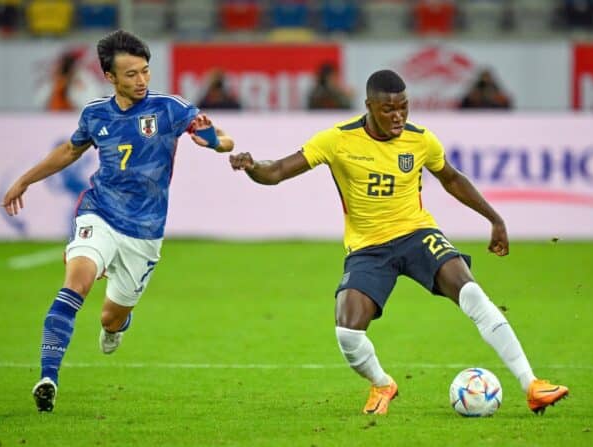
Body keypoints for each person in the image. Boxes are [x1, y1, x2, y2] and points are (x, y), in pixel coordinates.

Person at [229, 69, 568, 415]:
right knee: (348, 333)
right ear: (369, 106)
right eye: (389, 109)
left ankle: (532, 385)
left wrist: (494, 219)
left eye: (404, 107)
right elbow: (279, 171)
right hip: (368, 249)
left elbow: (451, 178)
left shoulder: (420, 140)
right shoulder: (337, 140)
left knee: (471, 293)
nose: (398, 116)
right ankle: (382, 384)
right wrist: (253, 166)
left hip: (417, 235)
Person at [1, 30, 235, 412]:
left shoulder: (168, 108)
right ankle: (48, 378)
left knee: (111, 316)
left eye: (145, 71)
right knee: (76, 284)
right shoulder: (96, 113)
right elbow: (68, 151)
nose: (141, 81)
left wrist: (214, 141)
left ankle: (116, 327)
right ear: (109, 77)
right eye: (131, 74)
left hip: (144, 233)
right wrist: (25, 180)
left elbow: (223, 138)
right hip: (100, 212)